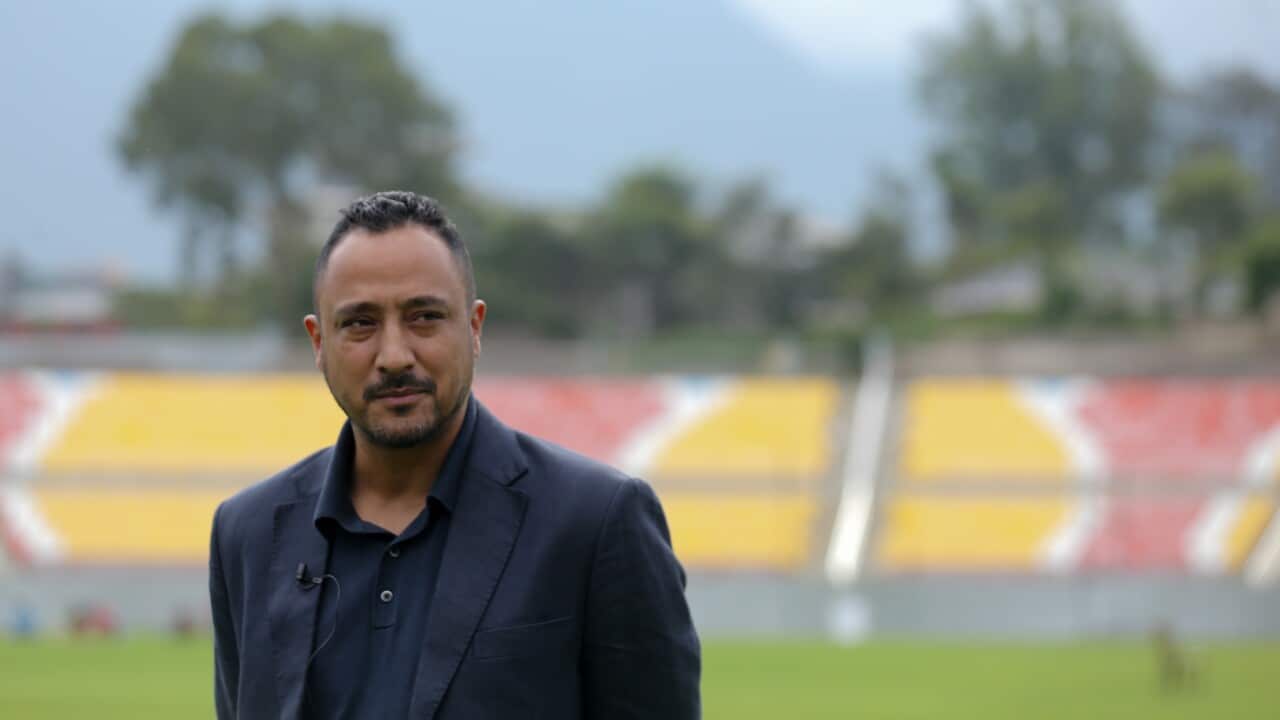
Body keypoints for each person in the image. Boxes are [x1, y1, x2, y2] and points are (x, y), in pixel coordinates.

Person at [208, 191, 701, 719]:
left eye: (424, 317)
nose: (394, 356)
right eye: (359, 323)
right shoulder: (249, 533)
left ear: (474, 327)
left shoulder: (595, 521)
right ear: (318, 341)